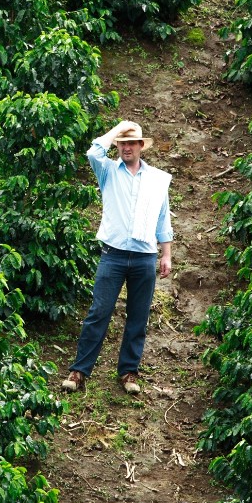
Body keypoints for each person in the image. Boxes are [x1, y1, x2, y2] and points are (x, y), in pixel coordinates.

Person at [62, 120, 173, 394]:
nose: (126, 147)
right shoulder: (108, 171)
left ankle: (128, 372)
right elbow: (92, 153)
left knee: (138, 316)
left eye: (131, 142)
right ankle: (79, 371)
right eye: (122, 143)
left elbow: (163, 218)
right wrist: (117, 129)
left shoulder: (157, 179)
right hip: (112, 255)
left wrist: (166, 254)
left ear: (140, 147)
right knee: (99, 312)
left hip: (145, 257)